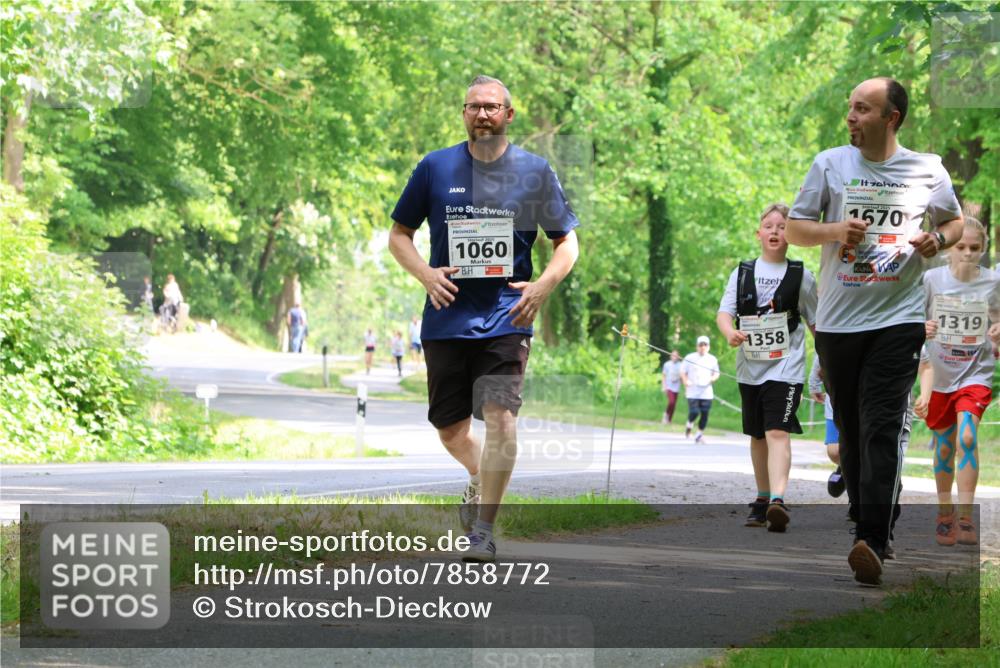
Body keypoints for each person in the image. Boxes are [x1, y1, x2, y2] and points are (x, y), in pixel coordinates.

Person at [388, 75, 579, 562]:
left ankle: (484, 531)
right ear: (464, 114)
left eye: (492, 107)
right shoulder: (435, 167)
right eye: (474, 107)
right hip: (447, 314)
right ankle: (479, 477)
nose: (482, 115)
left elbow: (566, 243)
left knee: (501, 418)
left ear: (508, 114)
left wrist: (542, 285)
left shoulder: (534, 171)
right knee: (450, 429)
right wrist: (426, 275)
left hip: (508, 313)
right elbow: (399, 235)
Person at [786, 77, 964, 586]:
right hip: (838, 322)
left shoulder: (927, 169)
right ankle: (868, 519)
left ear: (892, 118)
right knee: (852, 430)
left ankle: (872, 540)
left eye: (863, 109)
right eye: (851, 108)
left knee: (882, 425)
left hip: (899, 320)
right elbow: (796, 228)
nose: (851, 117)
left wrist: (936, 240)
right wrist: (835, 230)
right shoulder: (830, 164)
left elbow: (954, 223)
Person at [717, 202, 818, 532]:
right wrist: (730, 332)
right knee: (758, 434)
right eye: (769, 226)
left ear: (792, 234)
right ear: (758, 233)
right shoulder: (742, 273)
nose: (775, 231)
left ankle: (778, 499)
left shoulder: (802, 276)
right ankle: (762, 499)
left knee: (777, 430)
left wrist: (826, 362)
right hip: (750, 368)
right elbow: (724, 313)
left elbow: (816, 322)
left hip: (786, 367)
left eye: (783, 226)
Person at [916, 217, 1000, 547]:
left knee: (967, 435)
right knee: (945, 444)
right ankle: (944, 514)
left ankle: (965, 517)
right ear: (949, 248)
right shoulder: (931, 279)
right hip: (939, 374)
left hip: (975, 372)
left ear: (983, 249)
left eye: (975, 248)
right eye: (961, 246)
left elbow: (998, 318)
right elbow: (913, 318)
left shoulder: (993, 281)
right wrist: (922, 328)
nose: (967, 253)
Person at [808, 353, 845, 500]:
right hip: (835, 399)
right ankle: (846, 468)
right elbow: (822, 350)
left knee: (861, 449)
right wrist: (814, 384)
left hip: (865, 397)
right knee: (834, 451)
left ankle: (857, 497)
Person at [680, 336, 720, 444]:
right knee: (694, 412)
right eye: (700, 345)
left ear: (708, 346)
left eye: (705, 345)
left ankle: (698, 434)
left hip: (706, 392)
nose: (703, 347)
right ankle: (689, 424)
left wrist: (712, 378)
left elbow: (716, 373)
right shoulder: (690, 357)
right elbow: (682, 372)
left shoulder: (712, 359)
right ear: (697, 346)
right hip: (692, 391)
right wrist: (685, 381)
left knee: (705, 413)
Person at [661, 350, 682, 425]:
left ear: (678, 357)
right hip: (669, 386)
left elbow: (682, 375)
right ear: (670, 356)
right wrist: (664, 386)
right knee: (671, 402)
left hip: (676, 387)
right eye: (673, 355)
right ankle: (666, 415)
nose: (674, 357)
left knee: (674, 404)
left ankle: (669, 420)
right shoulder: (667, 364)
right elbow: (664, 376)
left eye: (676, 355)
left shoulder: (681, 365)